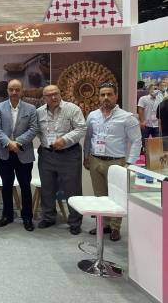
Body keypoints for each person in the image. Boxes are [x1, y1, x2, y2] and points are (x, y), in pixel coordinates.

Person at [84, 82, 142, 242]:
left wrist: (130, 163)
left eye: (109, 94)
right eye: (102, 95)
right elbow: (88, 138)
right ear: (99, 97)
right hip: (95, 160)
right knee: (100, 196)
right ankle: (104, 225)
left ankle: (115, 227)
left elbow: (137, 141)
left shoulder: (127, 117)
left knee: (117, 196)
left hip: (116, 162)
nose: (106, 98)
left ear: (116, 96)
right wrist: (86, 156)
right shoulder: (92, 116)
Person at [36, 85, 86, 235]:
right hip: (47, 154)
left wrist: (65, 140)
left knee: (72, 189)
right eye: (49, 95)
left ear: (60, 93)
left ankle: (75, 222)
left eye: (56, 93)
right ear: (44, 98)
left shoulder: (72, 109)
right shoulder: (39, 112)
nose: (53, 97)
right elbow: (37, 130)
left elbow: (81, 128)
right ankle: (48, 217)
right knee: (47, 188)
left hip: (69, 154)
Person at [0, 79, 38, 231]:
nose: (14, 92)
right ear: (7, 90)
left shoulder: (31, 108)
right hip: (4, 152)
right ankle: (7, 215)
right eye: (11, 89)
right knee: (6, 185)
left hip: (23, 152)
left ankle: (27, 217)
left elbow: (33, 129)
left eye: (17, 89)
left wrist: (17, 142)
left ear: (22, 91)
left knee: (25, 186)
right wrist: (8, 143)